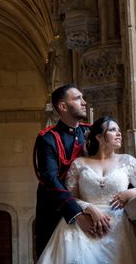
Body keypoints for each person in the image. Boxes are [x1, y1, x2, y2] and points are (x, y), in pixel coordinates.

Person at [37, 116, 136, 264]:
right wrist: (89, 208)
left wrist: (131, 192)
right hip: (83, 225)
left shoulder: (127, 161)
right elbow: (70, 197)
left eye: (119, 130)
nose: (119, 133)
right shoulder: (79, 163)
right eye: (113, 130)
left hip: (118, 228)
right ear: (99, 137)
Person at [33, 84, 100, 259]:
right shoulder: (48, 138)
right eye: (78, 98)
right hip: (55, 209)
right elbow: (50, 178)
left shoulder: (90, 132)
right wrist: (76, 213)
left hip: (90, 203)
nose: (84, 102)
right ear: (63, 106)